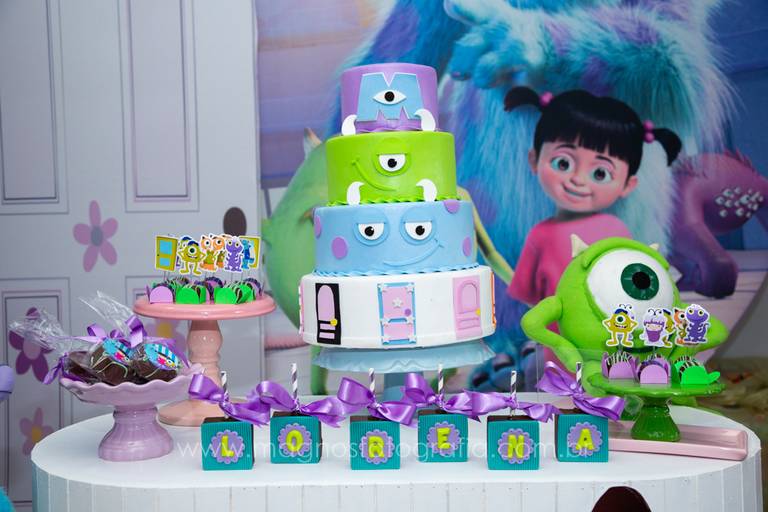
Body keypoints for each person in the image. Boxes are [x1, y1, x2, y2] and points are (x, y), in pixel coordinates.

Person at [504, 87, 682, 308]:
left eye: (600, 173)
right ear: (534, 160)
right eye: (563, 163)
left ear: (628, 185)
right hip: (558, 330)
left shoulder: (616, 231)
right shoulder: (539, 236)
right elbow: (528, 296)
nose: (578, 180)